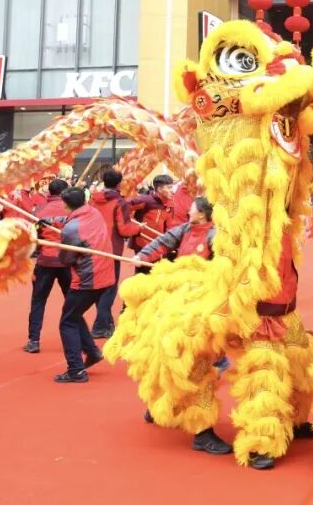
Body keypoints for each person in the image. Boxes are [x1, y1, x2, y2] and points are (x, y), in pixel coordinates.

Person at [134, 197, 233, 455]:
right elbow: (163, 242)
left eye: (192, 208)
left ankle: (199, 426)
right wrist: (143, 256)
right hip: (175, 301)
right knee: (166, 354)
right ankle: (162, 405)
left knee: (198, 363)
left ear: (202, 214)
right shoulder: (185, 229)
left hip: (200, 307)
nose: (188, 210)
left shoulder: (215, 236)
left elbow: (224, 269)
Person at [54, 188, 115, 384]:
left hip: (88, 279)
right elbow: (70, 222)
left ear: (66, 205)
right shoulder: (93, 212)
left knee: (67, 322)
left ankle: (76, 369)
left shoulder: (71, 229)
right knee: (74, 314)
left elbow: (65, 258)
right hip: (105, 275)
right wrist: (52, 222)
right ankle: (92, 352)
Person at [89, 168, 143, 339]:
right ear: (119, 184)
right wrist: (138, 228)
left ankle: (105, 323)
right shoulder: (119, 202)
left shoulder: (93, 199)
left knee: (99, 286)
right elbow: (124, 229)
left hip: (93, 247)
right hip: (111, 249)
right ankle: (101, 325)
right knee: (109, 288)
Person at [23, 179, 72, 354]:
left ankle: (33, 340)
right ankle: (78, 340)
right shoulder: (72, 210)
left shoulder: (40, 210)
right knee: (72, 301)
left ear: (50, 192)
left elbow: (32, 235)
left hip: (46, 259)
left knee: (38, 300)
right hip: (67, 260)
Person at [128, 174, 181, 262]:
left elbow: (169, 227)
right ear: (159, 189)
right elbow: (123, 209)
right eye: (169, 188)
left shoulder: (169, 205)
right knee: (142, 270)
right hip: (141, 243)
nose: (172, 191)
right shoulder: (146, 200)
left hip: (157, 245)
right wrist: (134, 227)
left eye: (172, 187)